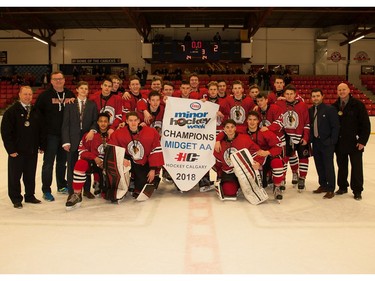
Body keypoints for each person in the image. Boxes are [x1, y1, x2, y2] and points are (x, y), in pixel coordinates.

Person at [1, 86, 47, 208]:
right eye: (25, 94)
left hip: (32, 150)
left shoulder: (36, 111)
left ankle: (30, 195)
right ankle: (16, 198)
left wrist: (42, 145)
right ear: (19, 94)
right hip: (17, 151)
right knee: (15, 176)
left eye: (30, 94)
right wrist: (11, 150)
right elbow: (6, 132)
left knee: (30, 174)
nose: (28, 97)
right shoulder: (11, 111)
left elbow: (42, 130)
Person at [34, 71, 76, 201]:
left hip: (65, 136)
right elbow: (37, 117)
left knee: (62, 162)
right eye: (55, 79)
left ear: (64, 80)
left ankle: (61, 185)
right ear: (51, 81)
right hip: (50, 135)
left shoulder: (70, 94)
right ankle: (46, 189)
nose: (58, 81)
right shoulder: (44, 96)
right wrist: (40, 139)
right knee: (48, 163)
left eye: (60, 79)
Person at [108, 111, 164, 198]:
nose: (133, 123)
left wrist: (153, 169)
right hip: (128, 160)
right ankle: (125, 183)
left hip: (143, 162)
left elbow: (155, 150)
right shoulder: (119, 133)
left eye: (135, 120)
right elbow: (112, 148)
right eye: (130, 120)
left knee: (142, 187)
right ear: (126, 121)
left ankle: (149, 179)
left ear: (139, 121)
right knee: (119, 163)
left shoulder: (151, 132)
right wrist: (121, 159)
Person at [332, 83, 371, 200]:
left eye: (344, 89)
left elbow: (365, 125)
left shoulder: (358, 105)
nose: (342, 92)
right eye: (339, 90)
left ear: (349, 90)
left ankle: (357, 190)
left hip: (355, 143)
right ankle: (343, 186)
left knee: (357, 168)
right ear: (337, 92)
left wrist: (362, 141)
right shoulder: (334, 106)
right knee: (342, 166)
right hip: (339, 143)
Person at [65, 112, 111, 210]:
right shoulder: (89, 135)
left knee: (107, 194)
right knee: (80, 164)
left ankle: (100, 183)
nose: (103, 124)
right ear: (97, 123)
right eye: (101, 121)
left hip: (107, 163)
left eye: (105, 121)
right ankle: (77, 194)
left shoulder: (112, 134)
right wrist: (94, 157)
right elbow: (82, 151)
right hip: (93, 161)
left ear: (108, 123)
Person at [61, 81, 98, 198]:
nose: (83, 91)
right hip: (72, 139)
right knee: (71, 165)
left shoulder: (92, 105)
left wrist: (92, 130)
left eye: (86, 89)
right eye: (81, 88)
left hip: (86, 139)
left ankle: (86, 190)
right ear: (77, 90)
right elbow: (65, 124)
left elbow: (95, 121)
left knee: (86, 164)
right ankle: (72, 191)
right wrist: (66, 141)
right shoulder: (70, 104)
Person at [213, 119, 263, 200]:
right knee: (229, 191)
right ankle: (236, 185)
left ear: (235, 128)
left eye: (232, 127)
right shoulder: (219, 144)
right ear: (224, 129)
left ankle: (241, 185)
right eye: (227, 127)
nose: (230, 129)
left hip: (244, 172)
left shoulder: (244, 139)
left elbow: (258, 151)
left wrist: (258, 163)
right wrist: (219, 175)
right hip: (229, 172)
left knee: (253, 188)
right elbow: (218, 162)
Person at [274, 84, 310, 191]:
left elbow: (307, 123)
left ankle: (302, 177)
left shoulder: (302, 105)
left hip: (300, 136)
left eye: (291, 94)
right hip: (286, 136)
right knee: (284, 158)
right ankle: (282, 178)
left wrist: (306, 137)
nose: (289, 96)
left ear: (295, 94)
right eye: (287, 94)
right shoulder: (279, 104)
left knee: (303, 158)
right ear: (284, 95)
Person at [309, 88, 340, 199]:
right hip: (316, 142)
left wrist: (332, 141)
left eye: (317, 96)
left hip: (327, 143)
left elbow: (335, 126)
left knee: (328, 166)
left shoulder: (330, 109)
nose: (315, 98)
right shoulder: (311, 110)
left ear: (322, 96)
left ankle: (331, 188)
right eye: (313, 96)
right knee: (319, 165)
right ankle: (323, 185)